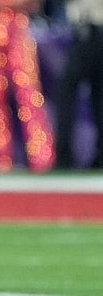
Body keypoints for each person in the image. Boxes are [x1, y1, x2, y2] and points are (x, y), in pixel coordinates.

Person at [0, 0, 56, 173]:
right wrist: (12, 4)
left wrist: (0, 5)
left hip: (17, 30)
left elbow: (33, 4)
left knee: (29, 96)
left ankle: (41, 156)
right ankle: (0, 158)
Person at [54, 0, 102, 170]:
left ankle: (64, 156)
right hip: (90, 29)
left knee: (67, 91)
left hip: (90, 29)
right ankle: (99, 156)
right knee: (99, 95)